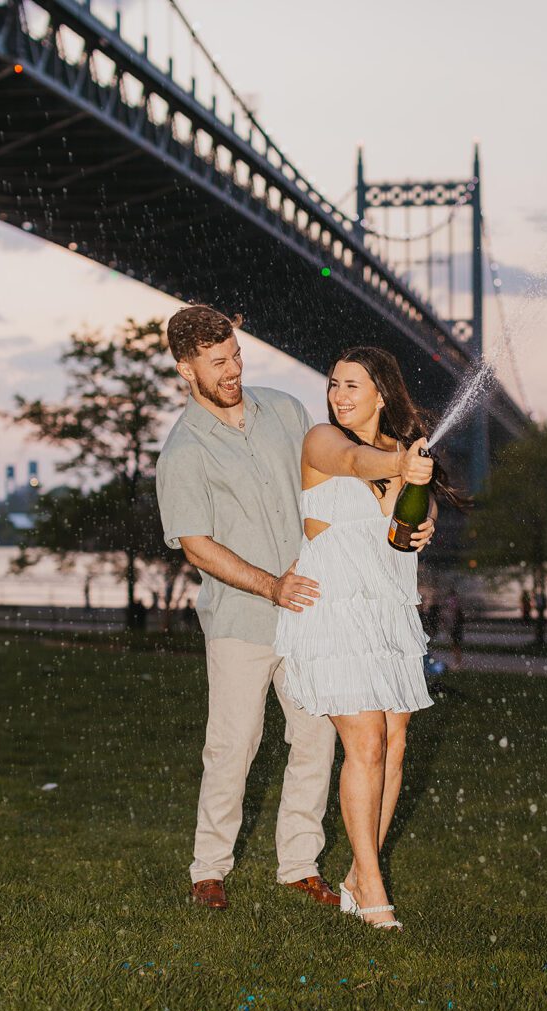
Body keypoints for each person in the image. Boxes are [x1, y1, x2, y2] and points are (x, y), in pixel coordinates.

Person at [276, 346, 469, 930]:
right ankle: (374, 888)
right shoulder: (321, 442)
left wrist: (420, 512)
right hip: (331, 606)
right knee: (363, 743)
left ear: (382, 393)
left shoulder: (404, 460)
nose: (339, 395)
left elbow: (399, 536)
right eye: (334, 384)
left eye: (353, 385)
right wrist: (400, 469)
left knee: (394, 743)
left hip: (386, 612)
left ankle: (361, 873)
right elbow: (359, 464)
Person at [156, 304, 338, 912]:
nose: (232, 370)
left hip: (308, 610)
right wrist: (271, 586)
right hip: (240, 620)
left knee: (316, 737)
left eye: (235, 355)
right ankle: (209, 869)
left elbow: (332, 483)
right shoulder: (182, 450)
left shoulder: (286, 410)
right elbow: (197, 546)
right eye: (217, 363)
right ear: (187, 369)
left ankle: (298, 865)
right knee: (233, 745)